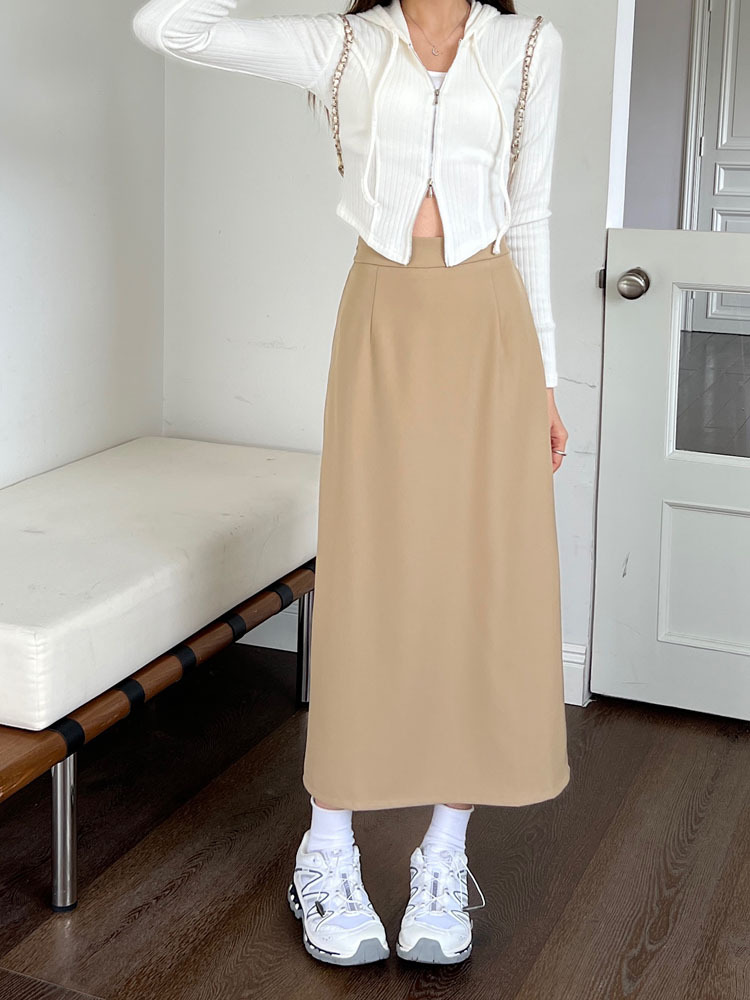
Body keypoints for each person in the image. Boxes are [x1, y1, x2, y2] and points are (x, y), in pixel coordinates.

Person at [132, 0, 570, 968]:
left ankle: (444, 852)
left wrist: (546, 380)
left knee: (477, 582)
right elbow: (166, 27)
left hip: (492, 327)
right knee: (370, 579)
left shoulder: (532, 47)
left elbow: (532, 212)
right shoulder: (342, 45)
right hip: (382, 318)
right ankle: (325, 848)